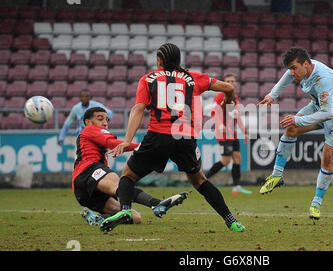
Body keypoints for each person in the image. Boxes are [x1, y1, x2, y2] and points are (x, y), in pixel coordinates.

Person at [100, 43, 245, 233]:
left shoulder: (148, 79)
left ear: (159, 60)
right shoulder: (193, 78)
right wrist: (227, 102)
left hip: (157, 136)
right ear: (179, 61)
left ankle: (126, 209)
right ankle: (231, 221)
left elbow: (138, 109)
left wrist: (127, 140)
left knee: (128, 176)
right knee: (200, 181)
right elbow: (228, 87)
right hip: (185, 138)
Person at [257, 47, 333, 221]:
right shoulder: (301, 70)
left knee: (327, 158)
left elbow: (327, 114)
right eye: (290, 68)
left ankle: (316, 203)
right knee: (291, 129)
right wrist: (272, 95)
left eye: (294, 68)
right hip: (318, 106)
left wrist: (297, 119)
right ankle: (277, 176)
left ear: (306, 64)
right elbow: (286, 77)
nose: (292, 73)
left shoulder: (323, 78)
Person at [73, 107, 187, 229]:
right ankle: (156, 203)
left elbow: (117, 145)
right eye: (100, 119)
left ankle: (98, 218)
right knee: (122, 185)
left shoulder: (92, 135)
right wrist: (146, 147)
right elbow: (114, 143)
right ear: (88, 122)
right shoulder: (90, 129)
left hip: (83, 193)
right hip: (87, 171)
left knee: (134, 217)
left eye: (107, 119)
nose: (105, 122)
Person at [205, 74, 252, 195]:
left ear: (235, 83)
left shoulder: (235, 97)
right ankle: (203, 179)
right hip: (224, 134)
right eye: (228, 81)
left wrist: (245, 132)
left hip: (233, 134)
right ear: (223, 83)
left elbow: (238, 116)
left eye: (232, 81)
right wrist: (220, 124)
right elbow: (214, 112)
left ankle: (236, 187)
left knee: (237, 158)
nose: (231, 83)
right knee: (226, 160)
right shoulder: (220, 96)